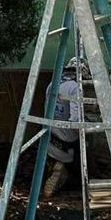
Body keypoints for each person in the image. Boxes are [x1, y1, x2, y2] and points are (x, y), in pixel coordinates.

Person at [42, 56, 86, 198]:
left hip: (50, 135)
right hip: (67, 141)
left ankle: (55, 166)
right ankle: (66, 172)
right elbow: (75, 120)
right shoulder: (74, 88)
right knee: (83, 151)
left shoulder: (52, 84)